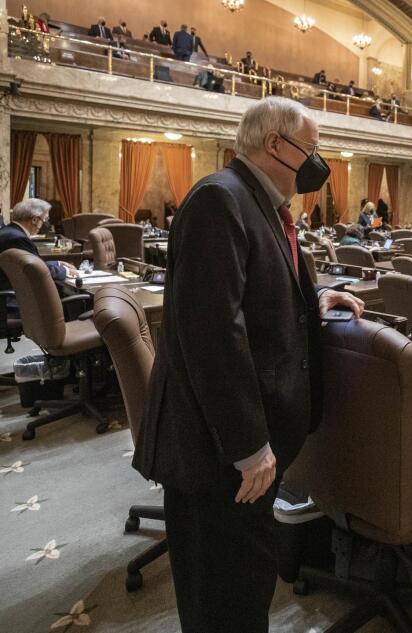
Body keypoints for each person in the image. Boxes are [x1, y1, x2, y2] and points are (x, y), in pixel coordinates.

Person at [135, 97, 364, 633]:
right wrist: (248, 445)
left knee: (245, 584)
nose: (317, 162)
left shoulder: (257, 203)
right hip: (219, 452)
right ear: (275, 146)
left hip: (238, 451)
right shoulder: (221, 199)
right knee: (223, 598)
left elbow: (249, 298)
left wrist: (315, 301)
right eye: (312, 149)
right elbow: (211, 333)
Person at [0, 199, 78, 313]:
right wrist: (65, 271)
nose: (45, 223)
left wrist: (57, 263)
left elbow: (33, 264)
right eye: (45, 219)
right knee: (68, 296)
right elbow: (36, 271)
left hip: (10, 291)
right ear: (35, 220)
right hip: (14, 298)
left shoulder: (9, 231)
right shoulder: (18, 239)